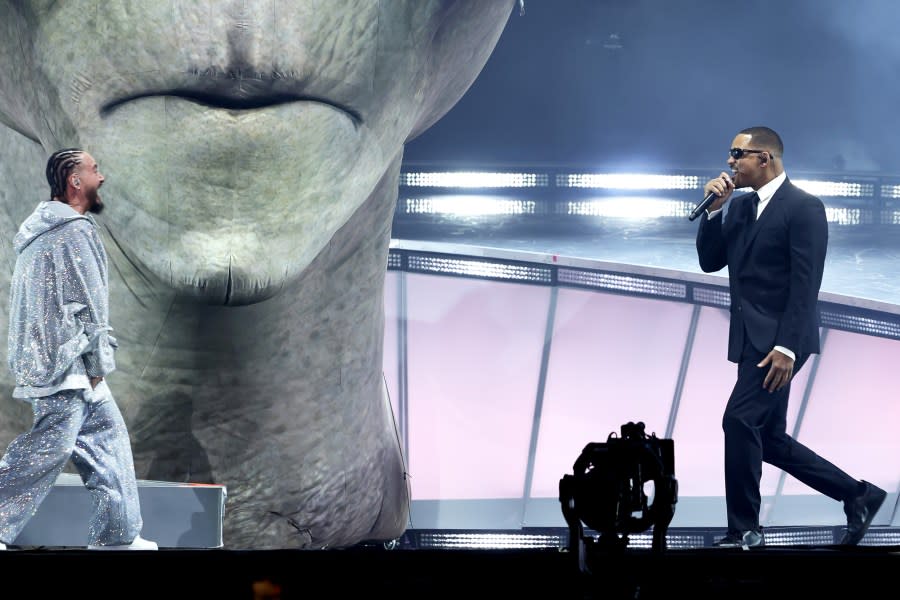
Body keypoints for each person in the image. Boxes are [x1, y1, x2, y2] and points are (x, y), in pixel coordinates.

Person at [695, 126, 886, 549]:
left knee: (739, 420)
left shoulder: (803, 208)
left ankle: (744, 529)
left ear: (765, 158)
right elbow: (710, 262)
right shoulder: (741, 209)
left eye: (737, 154)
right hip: (749, 339)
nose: (730, 162)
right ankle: (858, 495)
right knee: (769, 439)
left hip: (781, 344)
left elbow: (806, 284)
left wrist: (788, 347)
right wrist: (714, 213)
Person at [0, 149, 156, 551]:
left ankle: (117, 536)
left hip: (56, 361)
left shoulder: (41, 233)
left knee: (109, 443)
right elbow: (90, 302)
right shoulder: (74, 230)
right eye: (94, 170)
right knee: (44, 453)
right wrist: (98, 361)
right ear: (75, 180)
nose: (100, 178)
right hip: (70, 366)